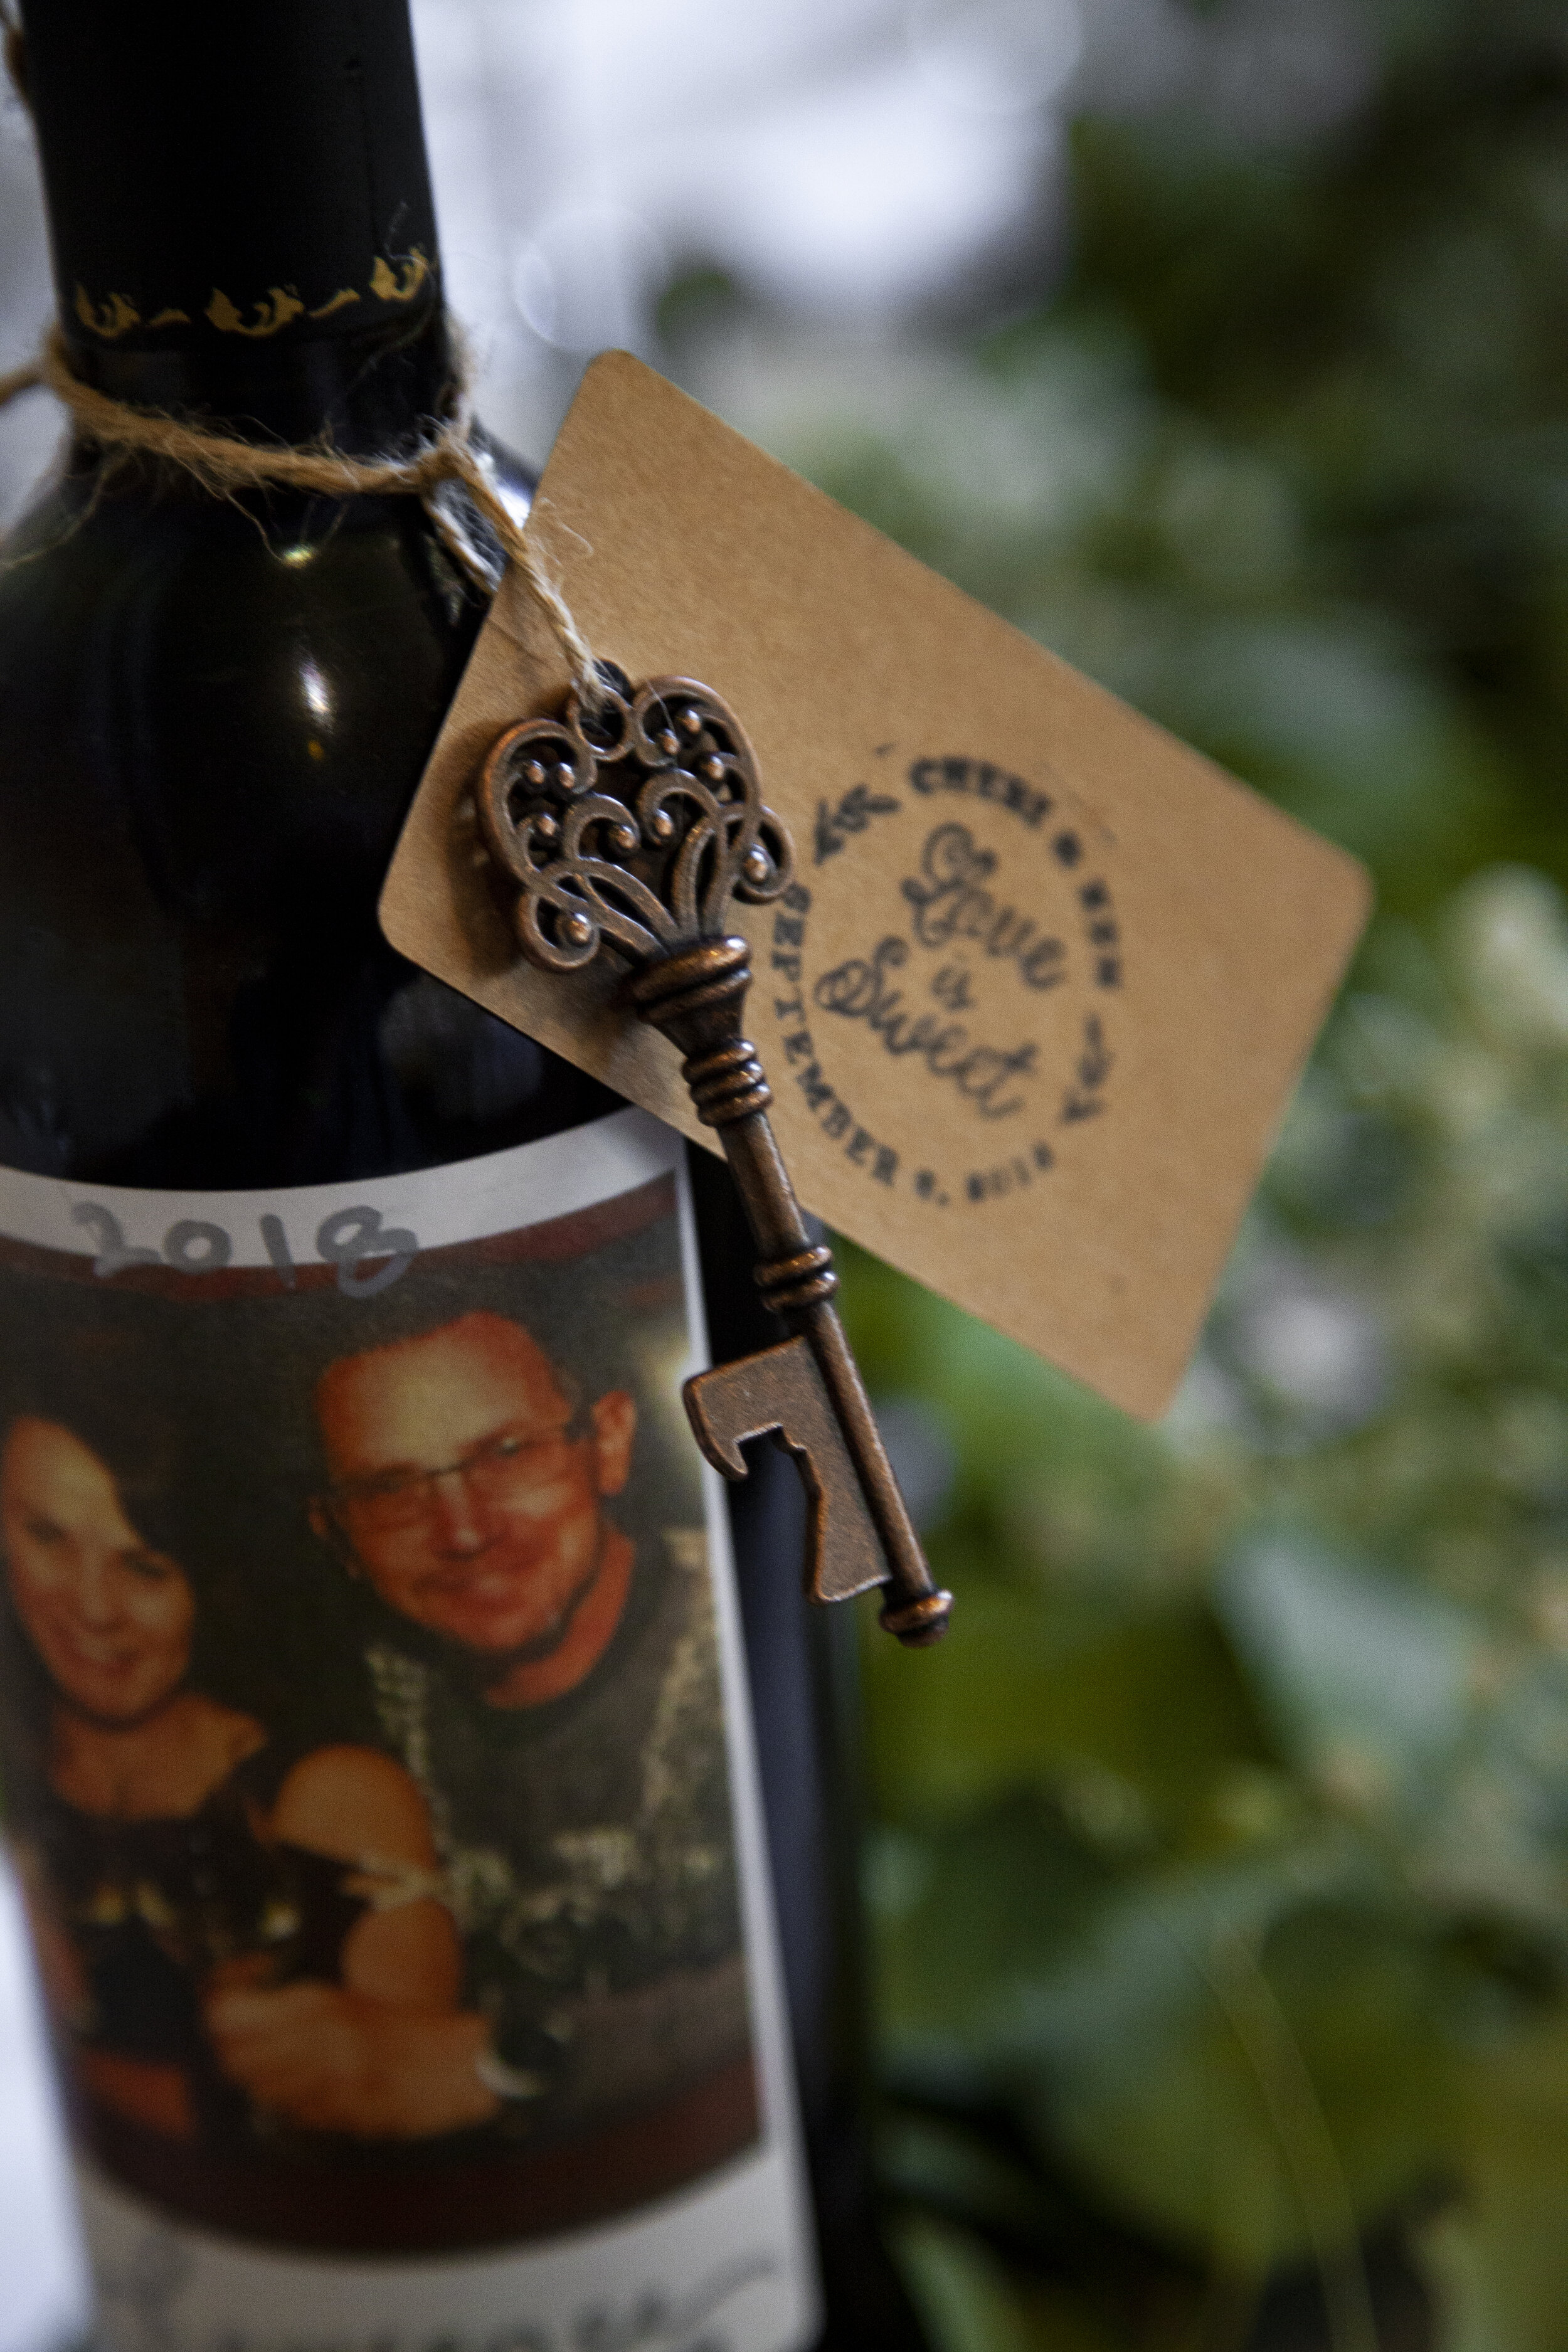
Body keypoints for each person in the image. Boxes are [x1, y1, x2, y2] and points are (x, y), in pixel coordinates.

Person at [206, 1307, 752, 2144]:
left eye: (507, 1453)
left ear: (608, 1442)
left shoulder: (744, 1630)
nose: (464, 1530)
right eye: (390, 1490)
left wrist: (498, 2065)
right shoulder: (344, 1698)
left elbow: (809, 1962)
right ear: (337, 1533)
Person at [0, 1382, 489, 2149]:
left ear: (212, 1583)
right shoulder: (22, 1776)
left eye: (145, 1567)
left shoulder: (330, 1797)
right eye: (48, 1538)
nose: (92, 1607)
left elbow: (386, 2134)